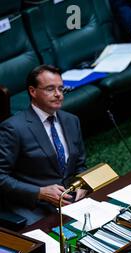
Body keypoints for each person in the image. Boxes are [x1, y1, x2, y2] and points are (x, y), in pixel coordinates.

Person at [0, 65, 87, 226]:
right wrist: (39, 192)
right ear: (33, 91)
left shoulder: (71, 120)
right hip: (34, 207)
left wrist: (82, 183)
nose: (58, 94)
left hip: (71, 200)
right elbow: (1, 176)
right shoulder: (13, 128)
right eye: (50, 89)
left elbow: (80, 164)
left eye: (61, 88)